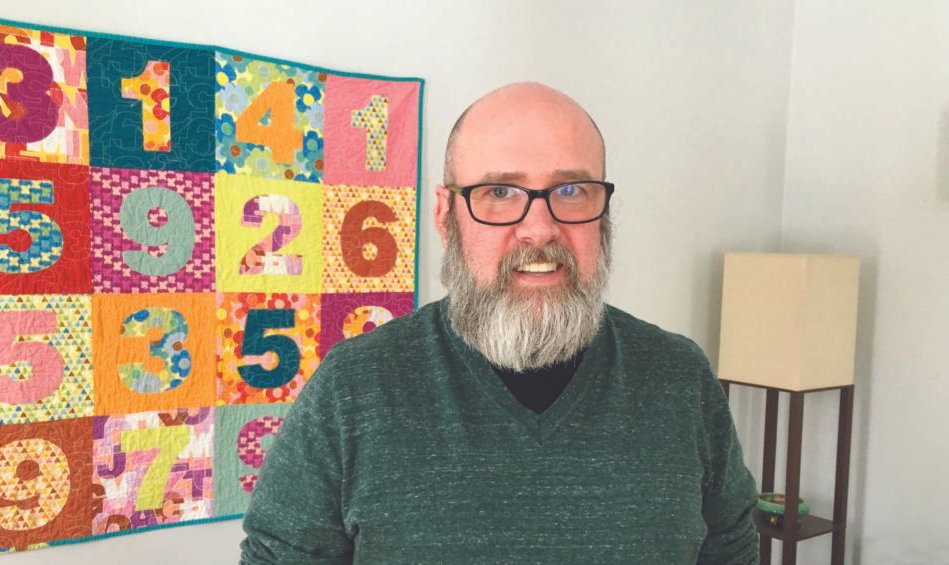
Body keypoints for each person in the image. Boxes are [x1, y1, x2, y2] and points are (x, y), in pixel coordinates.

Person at [239, 82, 760, 564]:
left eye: (572, 190)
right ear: (444, 216)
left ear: (603, 213)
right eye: (500, 193)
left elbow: (732, 552)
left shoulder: (680, 377)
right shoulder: (353, 388)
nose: (539, 229)